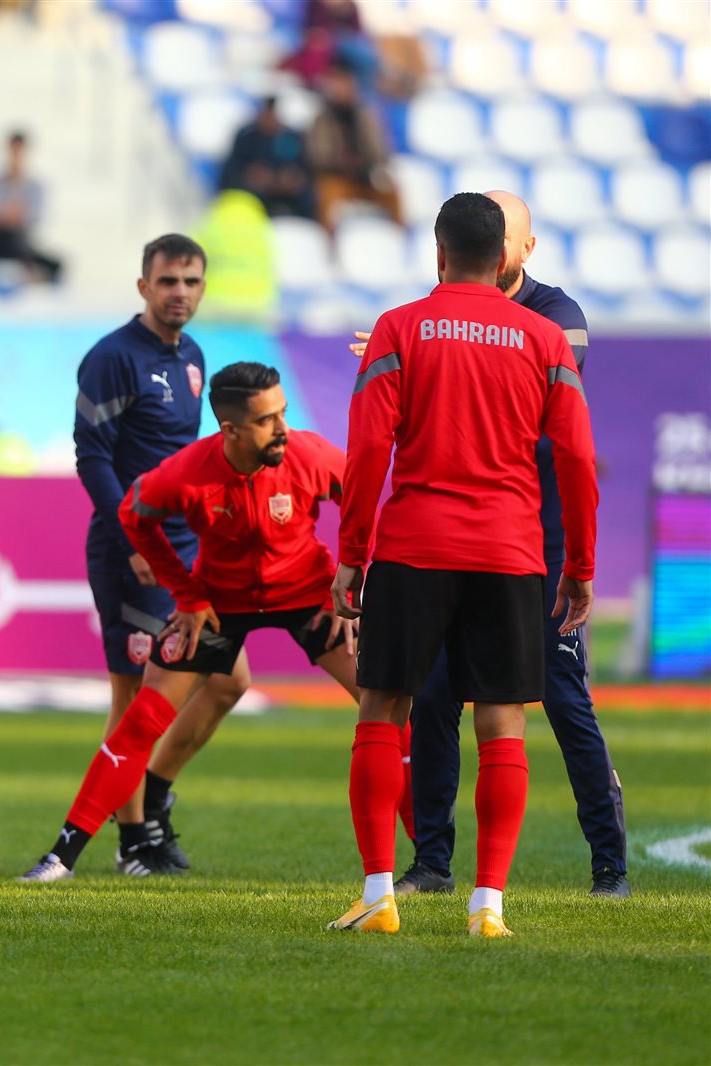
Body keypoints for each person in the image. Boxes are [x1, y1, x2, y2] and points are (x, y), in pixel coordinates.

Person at [330, 192, 598, 937]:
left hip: (414, 546)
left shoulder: (398, 328)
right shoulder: (544, 339)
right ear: (506, 256)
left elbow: (368, 450)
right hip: (510, 552)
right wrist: (579, 564)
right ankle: (489, 906)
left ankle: (379, 894)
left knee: (384, 709)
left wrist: (352, 555)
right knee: (502, 720)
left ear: (440, 254)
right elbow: (576, 457)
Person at [22, 363, 360, 882]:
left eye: (284, 413)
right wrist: (187, 593)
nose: (283, 429)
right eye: (267, 420)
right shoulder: (187, 472)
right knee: (141, 720)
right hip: (218, 607)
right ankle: (59, 858)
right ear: (230, 430)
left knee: (388, 706)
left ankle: (427, 865)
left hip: (309, 598)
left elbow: (365, 497)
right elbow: (134, 515)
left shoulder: (310, 453)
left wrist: (351, 579)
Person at [73, 234, 248, 877]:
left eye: (191, 282)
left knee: (229, 680)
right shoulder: (112, 357)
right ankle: (133, 842)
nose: (180, 293)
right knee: (133, 699)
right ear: (144, 286)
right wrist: (132, 540)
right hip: (132, 550)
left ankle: (152, 794)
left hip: (187, 548)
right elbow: (92, 457)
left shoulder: (193, 356)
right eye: (168, 281)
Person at [305, 61, 400, 231]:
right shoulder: (323, 119)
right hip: (337, 176)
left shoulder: (365, 117)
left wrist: (365, 161)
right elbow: (317, 154)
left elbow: (382, 151)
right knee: (326, 194)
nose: (342, 89)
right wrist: (339, 160)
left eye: (346, 84)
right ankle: (328, 240)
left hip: (365, 177)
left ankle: (399, 237)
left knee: (392, 193)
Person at [0, 132, 61, 282]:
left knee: (55, 264)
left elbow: (34, 217)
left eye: (19, 151)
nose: (15, 156)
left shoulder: (35, 186)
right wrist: (12, 214)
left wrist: (10, 214)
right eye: (13, 151)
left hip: (23, 241)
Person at [219, 97, 314, 220]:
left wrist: (293, 179)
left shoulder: (293, 137)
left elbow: (305, 171)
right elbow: (231, 173)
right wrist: (252, 177)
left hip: (290, 197)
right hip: (253, 195)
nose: (269, 119)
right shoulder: (246, 137)